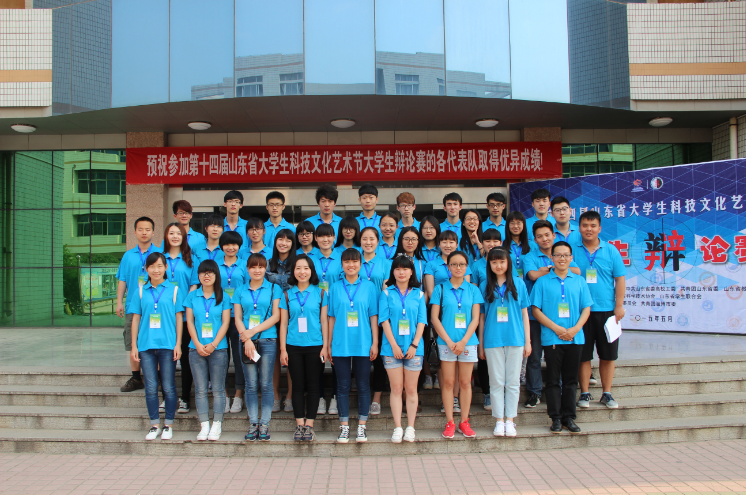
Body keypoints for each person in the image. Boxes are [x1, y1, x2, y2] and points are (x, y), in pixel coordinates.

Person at [530, 241, 593, 434]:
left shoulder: (579, 281)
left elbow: (586, 308)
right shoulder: (542, 282)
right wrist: (557, 329)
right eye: (558, 255)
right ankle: (555, 418)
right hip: (552, 338)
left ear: (571, 258)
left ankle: (569, 417)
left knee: (571, 380)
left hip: (575, 338)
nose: (562, 258)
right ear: (552, 258)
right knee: (553, 380)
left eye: (566, 255)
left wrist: (575, 329)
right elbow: (536, 310)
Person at [523, 220, 581, 409]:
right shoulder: (530, 256)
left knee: (558, 357)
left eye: (547, 235)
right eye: (539, 236)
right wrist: (555, 269)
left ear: (554, 235)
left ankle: (559, 391)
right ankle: (534, 392)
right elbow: (532, 275)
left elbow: (577, 271)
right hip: (536, 315)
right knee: (534, 356)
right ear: (534, 239)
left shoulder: (561, 252)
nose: (544, 239)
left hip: (558, 318)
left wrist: (548, 269)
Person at [129, 252, 185, 440]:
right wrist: (134, 346)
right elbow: (136, 319)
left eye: (160, 266)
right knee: (151, 387)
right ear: (146, 269)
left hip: (167, 344)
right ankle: (154, 425)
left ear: (165, 268)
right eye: (152, 266)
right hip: (146, 345)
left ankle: (168, 424)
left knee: (168, 386)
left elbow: (179, 318)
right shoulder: (140, 291)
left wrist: (178, 344)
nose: (156, 270)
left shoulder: (174, 290)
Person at [574, 211, 627, 410]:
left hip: (607, 312)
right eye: (585, 225)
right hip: (581, 311)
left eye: (593, 225)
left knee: (608, 355)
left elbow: (620, 279)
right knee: (583, 355)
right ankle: (585, 392)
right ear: (579, 228)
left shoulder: (611, 250)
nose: (589, 229)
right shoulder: (572, 249)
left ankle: (607, 393)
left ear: (599, 228)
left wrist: (619, 305)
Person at [478, 248, 531, 437]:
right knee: (496, 382)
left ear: (508, 263)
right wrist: (481, 344)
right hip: (492, 339)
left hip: (515, 338)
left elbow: (525, 314)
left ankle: (510, 420)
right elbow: (481, 317)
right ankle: (499, 420)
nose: (498, 265)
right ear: (489, 265)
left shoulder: (519, 283)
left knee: (513, 382)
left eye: (502, 261)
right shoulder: (484, 285)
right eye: (494, 262)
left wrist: (528, 341)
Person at [328, 248, 379, 443]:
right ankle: (344, 427)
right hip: (340, 343)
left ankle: (362, 427)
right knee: (342, 386)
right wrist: (329, 344)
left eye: (355, 261)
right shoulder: (335, 287)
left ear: (360, 264)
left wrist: (375, 342)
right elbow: (331, 317)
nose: (351, 265)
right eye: (347, 262)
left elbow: (373, 316)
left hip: (363, 342)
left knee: (363, 385)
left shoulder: (369, 287)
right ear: (342, 265)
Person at [431, 251, 483, 439]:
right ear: (448, 267)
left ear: (467, 267)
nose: (458, 268)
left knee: (465, 382)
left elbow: (476, 319)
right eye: (454, 264)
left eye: (462, 264)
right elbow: (434, 318)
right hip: (447, 343)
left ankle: (464, 421)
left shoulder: (473, 290)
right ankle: (450, 422)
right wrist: (449, 341)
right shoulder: (440, 289)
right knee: (448, 382)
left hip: (467, 342)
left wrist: (462, 342)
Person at [279, 254, 329, 442]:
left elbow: (324, 321)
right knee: (297, 386)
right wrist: (283, 350)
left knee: (314, 386)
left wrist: (325, 346)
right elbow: (284, 324)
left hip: (315, 345)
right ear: (293, 271)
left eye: (306, 268)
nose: (302, 272)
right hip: (293, 346)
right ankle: (299, 424)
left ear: (311, 271)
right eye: (298, 268)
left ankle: (310, 425)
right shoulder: (287, 294)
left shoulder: (320, 293)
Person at [234, 253, 283, 442]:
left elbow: (276, 317)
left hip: (268, 340)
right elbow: (238, 318)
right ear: (247, 269)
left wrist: (252, 332)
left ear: (265, 269)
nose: (257, 270)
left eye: (261, 267)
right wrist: (246, 338)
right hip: (246, 341)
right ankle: (253, 422)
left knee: (266, 383)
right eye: (253, 267)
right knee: (251, 384)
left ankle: (265, 423)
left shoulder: (274, 288)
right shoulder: (240, 290)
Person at [379, 255, 427, 443]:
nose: (401, 272)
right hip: (391, 348)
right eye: (398, 269)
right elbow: (384, 320)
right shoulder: (386, 293)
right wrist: (394, 345)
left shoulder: (419, 294)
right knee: (396, 388)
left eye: (405, 269)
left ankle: (411, 427)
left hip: (414, 348)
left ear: (411, 272)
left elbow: (422, 321)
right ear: (393, 271)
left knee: (411, 389)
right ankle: (398, 427)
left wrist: (414, 344)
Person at [183, 260, 231, 441]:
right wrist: (196, 343)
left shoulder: (224, 296)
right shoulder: (192, 296)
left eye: (210, 272)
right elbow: (189, 321)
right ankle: (204, 425)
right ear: (198, 276)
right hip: (196, 349)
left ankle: (217, 424)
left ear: (216, 275)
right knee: (201, 389)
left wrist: (214, 344)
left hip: (218, 349)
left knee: (218, 389)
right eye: (203, 272)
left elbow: (226, 322)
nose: (207, 275)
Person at [116, 216, 162, 393]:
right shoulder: (128, 256)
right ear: (135, 232)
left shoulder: (159, 253)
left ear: (153, 232)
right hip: (133, 306)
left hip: (154, 306)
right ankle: (136, 378)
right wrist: (119, 302)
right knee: (132, 341)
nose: (144, 233)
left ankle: (158, 378)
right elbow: (122, 279)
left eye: (148, 229)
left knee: (155, 341)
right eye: (140, 229)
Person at [163, 223, 198, 414]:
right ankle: (166, 397)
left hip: (184, 316)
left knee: (185, 358)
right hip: (164, 316)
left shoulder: (190, 259)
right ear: (166, 236)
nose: (175, 236)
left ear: (184, 237)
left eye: (179, 233)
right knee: (165, 358)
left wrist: (185, 303)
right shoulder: (160, 258)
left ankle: (185, 398)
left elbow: (194, 285)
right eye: (171, 233)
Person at [361, 226, 393, 417]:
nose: (368, 242)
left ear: (378, 241)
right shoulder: (354, 260)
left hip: (380, 316)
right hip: (358, 316)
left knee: (379, 357)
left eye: (372, 239)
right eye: (364, 239)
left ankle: (377, 398)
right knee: (361, 356)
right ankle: (362, 392)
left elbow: (386, 289)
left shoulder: (385, 263)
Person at [266, 229, 297, 414]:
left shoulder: (298, 264)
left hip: (293, 315)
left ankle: (290, 396)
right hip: (271, 315)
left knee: (291, 354)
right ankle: (276, 395)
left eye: (288, 240)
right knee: (274, 355)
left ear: (293, 243)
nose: (283, 243)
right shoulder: (268, 264)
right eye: (280, 239)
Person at [218, 231, 248, 415]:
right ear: (221, 246)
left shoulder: (244, 265)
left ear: (239, 246)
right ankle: (224, 394)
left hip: (238, 317)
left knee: (238, 358)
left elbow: (248, 289)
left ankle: (238, 395)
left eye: (234, 244)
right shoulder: (215, 265)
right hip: (218, 317)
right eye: (227, 244)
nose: (231, 247)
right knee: (221, 358)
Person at [423, 231, 472, 298]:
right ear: (439, 244)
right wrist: (440, 303)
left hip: (460, 301)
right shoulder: (431, 265)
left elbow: (466, 288)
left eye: (451, 242)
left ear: (457, 245)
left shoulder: (463, 263)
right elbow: (430, 291)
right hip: (439, 301)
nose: (448, 246)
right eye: (444, 242)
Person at [312, 224, 343, 292]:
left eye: (329, 236)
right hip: (316, 297)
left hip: (336, 296)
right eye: (321, 236)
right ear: (315, 238)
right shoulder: (310, 260)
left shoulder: (342, 258)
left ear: (334, 237)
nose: (325, 240)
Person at [504, 211, 532, 279]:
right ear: (508, 225)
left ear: (523, 224)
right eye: (512, 223)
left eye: (519, 222)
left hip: (529, 283)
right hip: (509, 282)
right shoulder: (502, 245)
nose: (515, 226)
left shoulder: (532, 245)